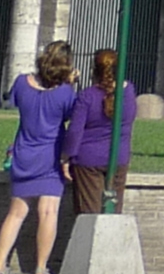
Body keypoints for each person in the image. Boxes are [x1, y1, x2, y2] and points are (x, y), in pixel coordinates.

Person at [0, 45, 79, 274]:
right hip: (51, 155)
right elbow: (71, 115)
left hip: (23, 152)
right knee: (48, 213)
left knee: (15, 214)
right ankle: (40, 268)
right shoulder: (66, 92)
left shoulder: (21, 83)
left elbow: (14, 103)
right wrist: (70, 84)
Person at [60, 48, 144, 221]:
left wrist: (66, 157)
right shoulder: (128, 92)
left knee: (89, 215)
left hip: (88, 160)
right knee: (112, 212)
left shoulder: (87, 96)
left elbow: (75, 130)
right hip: (118, 158)